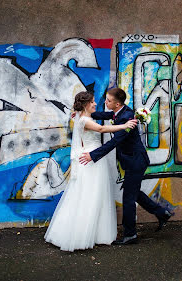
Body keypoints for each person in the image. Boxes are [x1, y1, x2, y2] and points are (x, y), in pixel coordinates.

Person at [44, 91, 137, 252]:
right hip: (90, 160)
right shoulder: (85, 120)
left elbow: (105, 116)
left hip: (93, 159)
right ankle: (82, 234)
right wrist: (124, 125)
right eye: (93, 102)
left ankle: (95, 233)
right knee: (90, 195)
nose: (96, 104)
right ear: (86, 105)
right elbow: (101, 129)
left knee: (95, 195)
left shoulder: (84, 117)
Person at [79, 87, 173, 245]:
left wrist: (93, 155)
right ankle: (161, 213)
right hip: (131, 160)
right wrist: (86, 113)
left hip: (136, 161)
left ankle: (130, 234)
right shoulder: (120, 112)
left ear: (116, 104)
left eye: (108, 101)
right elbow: (108, 115)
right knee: (134, 192)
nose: (105, 102)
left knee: (128, 197)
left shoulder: (127, 118)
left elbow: (115, 141)